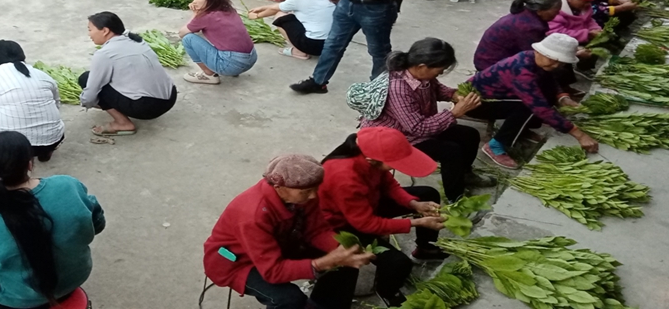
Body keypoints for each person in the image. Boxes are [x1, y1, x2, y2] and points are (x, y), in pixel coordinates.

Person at [0, 131, 104, 309]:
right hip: (75, 278)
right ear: (30, 164)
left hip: (18, 300)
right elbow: (98, 223)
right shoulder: (69, 185)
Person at [203, 154, 373, 309]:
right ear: (278, 187)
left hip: (280, 243)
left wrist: (341, 248)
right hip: (238, 262)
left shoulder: (303, 195)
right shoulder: (253, 215)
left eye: (316, 189)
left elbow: (316, 230)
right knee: (289, 299)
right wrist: (323, 263)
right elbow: (273, 272)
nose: (313, 196)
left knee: (347, 262)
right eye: (306, 192)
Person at [318, 129, 445, 307]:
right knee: (398, 263)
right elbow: (365, 224)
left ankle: (425, 248)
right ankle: (386, 291)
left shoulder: (370, 155)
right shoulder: (344, 176)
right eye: (393, 164)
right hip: (343, 224)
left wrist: (413, 204)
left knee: (427, 194)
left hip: (366, 205)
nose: (394, 168)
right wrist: (416, 222)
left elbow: (388, 183)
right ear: (371, 160)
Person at [356, 40, 492, 200]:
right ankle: (456, 199)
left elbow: (437, 88)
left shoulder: (421, 74)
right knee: (451, 151)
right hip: (399, 137)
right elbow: (417, 129)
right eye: (439, 71)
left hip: (419, 125)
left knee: (470, 135)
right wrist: (454, 113)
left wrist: (453, 94)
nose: (440, 74)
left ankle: (465, 174)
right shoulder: (398, 88)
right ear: (422, 66)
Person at [468, 33, 599, 169]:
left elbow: (549, 79)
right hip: (476, 103)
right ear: (538, 51)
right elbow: (540, 108)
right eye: (553, 59)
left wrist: (562, 96)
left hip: (503, 96)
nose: (556, 65)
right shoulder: (521, 70)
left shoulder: (534, 58)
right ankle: (495, 145)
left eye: (561, 62)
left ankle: (521, 129)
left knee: (543, 92)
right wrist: (579, 134)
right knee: (529, 107)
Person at [80, 12, 178, 136]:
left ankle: (123, 123)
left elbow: (91, 93)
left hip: (147, 108)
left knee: (85, 78)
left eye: (90, 30)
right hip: (170, 97)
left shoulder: (104, 54)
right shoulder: (137, 40)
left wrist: (87, 102)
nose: (89, 34)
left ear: (105, 31)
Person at [248, 0, 337, 59]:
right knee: (290, 13)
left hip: (313, 45)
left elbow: (275, 9)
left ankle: (299, 51)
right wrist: (262, 8)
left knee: (280, 16)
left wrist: (257, 16)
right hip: (331, 45)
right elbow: (279, 6)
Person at [179, 0, 258, 84]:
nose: (194, 2)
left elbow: (182, 33)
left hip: (231, 65)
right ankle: (233, 68)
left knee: (188, 39)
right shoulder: (230, 9)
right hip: (251, 59)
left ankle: (208, 75)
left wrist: (195, 14)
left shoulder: (206, 17)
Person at [473, 0, 562, 71]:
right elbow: (536, 57)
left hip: (485, 59)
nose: (557, 13)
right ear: (539, 11)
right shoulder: (529, 27)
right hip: (490, 66)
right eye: (555, 10)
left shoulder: (525, 15)